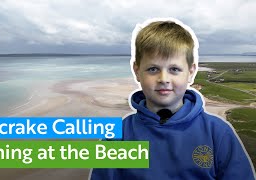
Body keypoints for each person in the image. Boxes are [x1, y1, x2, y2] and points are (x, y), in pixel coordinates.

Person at [89, 18, 256, 180]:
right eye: (153, 69)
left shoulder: (217, 133)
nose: (164, 78)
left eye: (174, 69)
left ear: (191, 72)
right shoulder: (118, 137)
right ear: (137, 71)